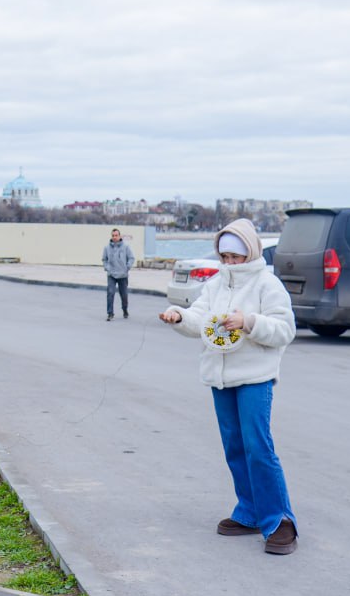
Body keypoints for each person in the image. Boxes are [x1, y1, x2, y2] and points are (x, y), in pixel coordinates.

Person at [158, 218, 299, 555]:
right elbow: (201, 319)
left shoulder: (268, 284)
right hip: (219, 377)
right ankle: (249, 512)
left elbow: (284, 329)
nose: (230, 263)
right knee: (235, 446)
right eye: (225, 257)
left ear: (250, 252)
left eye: (235, 257)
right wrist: (179, 316)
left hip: (254, 377)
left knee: (257, 445)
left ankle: (280, 521)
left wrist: (248, 322)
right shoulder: (217, 284)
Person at [102, 228, 135, 320]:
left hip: (123, 275)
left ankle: (125, 310)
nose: (114, 237)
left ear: (119, 236)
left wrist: (127, 268)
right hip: (111, 275)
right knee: (110, 293)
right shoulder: (107, 248)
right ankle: (110, 313)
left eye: (116, 235)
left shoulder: (126, 247)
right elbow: (104, 259)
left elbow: (131, 258)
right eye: (113, 235)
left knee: (124, 295)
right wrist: (107, 268)